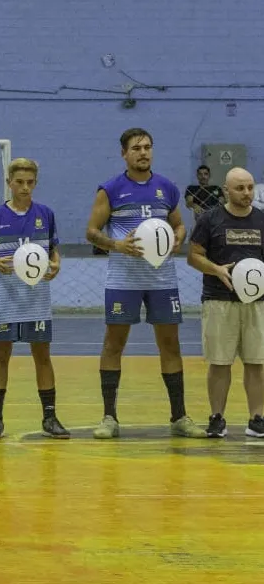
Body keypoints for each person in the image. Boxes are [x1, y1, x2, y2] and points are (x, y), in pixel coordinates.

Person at [84, 127, 206, 438]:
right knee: (114, 344)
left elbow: (179, 225)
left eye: (147, 147)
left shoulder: (167, 187)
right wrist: (116, 244)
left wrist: (178, 238)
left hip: (162, 279)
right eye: (136, 148)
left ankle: (179, 417)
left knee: (170, 345)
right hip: (123, 280)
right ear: (124, 154)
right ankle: (109, 418)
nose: (143, 153)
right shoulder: (110, 189)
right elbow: (92, 232)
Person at [0, 158, 68, 440]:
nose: (25, 187)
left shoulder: (45, 214)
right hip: (5, 296)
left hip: (36, 296)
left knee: (42, 355)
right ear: (9, 183)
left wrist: (56, 263)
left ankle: (50, 417)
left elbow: (53, 249)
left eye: (30, 182)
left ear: (35, 183)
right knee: (1, 355)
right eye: (19, 182)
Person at [186, 167, 264, 438]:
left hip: (257, 304)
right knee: (219, 363)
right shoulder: (210, 219)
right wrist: (216, 269)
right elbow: (194, 256)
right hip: (219, 301)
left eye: (250, 187)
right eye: (240, 188)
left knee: (256, 362)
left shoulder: (262, 220)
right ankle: (217, 417)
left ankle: (257, 419)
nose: (246, 193)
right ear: (226, 191)